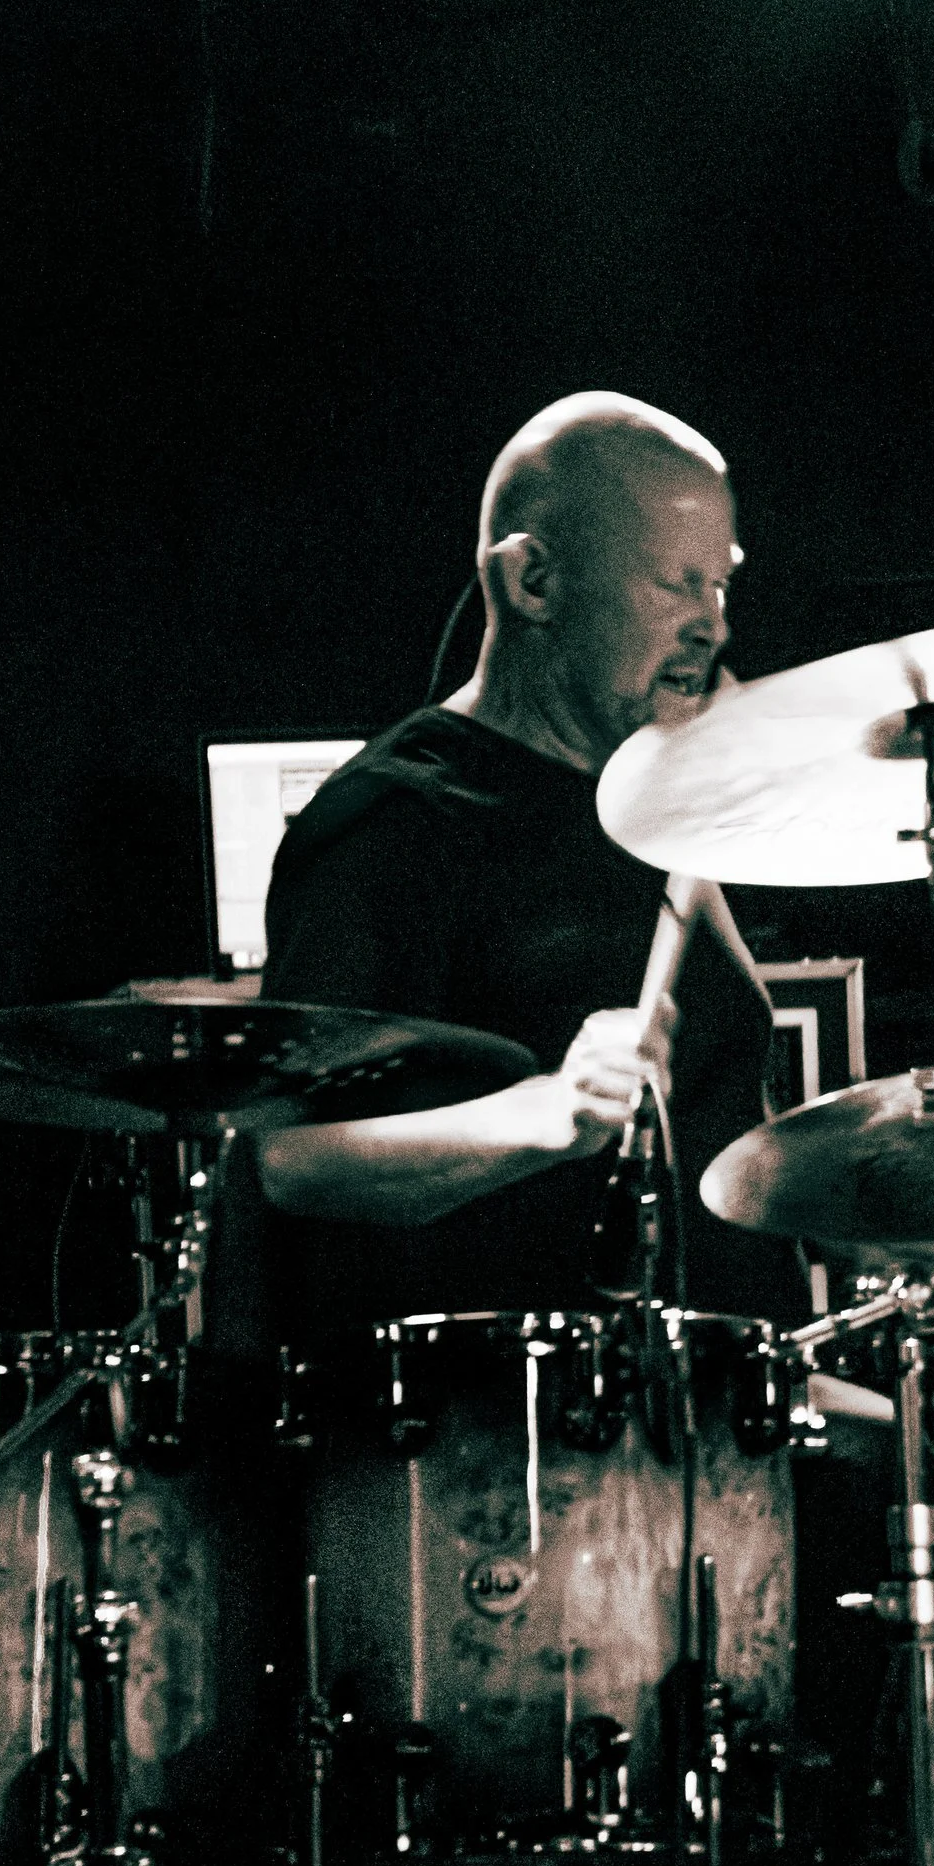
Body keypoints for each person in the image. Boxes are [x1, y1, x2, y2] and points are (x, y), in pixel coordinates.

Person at [255, 390, 782, 1329]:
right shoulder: (393, 821)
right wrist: (546, 1114)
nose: (715, 627)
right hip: (511, 1441)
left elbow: (715, 1103)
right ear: (535, 580)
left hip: (711, 1403)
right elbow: (292, 1161)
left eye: (721, 586)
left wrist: (853, 1195)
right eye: (677, 586)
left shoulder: (658, 804)